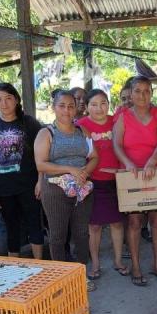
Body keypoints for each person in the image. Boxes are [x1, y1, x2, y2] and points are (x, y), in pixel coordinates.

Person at [113, 76, 157, 286]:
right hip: (132, 175)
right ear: (131, 93)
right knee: (135, 221)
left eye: (147, 91)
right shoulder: (123, 116)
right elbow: (117, 144)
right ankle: (136, 266)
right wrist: (128, 163)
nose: (142, 95)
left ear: (152, 93)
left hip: (156, 172)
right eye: (137, 91)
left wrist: (152, 162)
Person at [34, 90, 98, 280]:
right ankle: (60, 276)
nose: (66, 110)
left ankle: (81, 274)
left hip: (82, 187)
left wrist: (85, 172)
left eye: (71, 106)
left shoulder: (82, 131)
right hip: (55, 190)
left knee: (81, 233)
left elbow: (94, 157)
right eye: (61, 106)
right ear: (54, 108)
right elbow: (41, 164)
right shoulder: (46, 133)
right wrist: (70, 169)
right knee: (58, 235)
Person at [0, 82, 45, 259]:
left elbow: (41, 154)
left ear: (16, 100)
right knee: (11, 225)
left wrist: (40, 180)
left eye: (8, 98)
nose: (4, 103)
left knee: (33, 223)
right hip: (2, 186)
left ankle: (40, 263)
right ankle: (14, 265)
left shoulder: (29, 123)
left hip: (28, 184)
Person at [77, 89, 127, 277]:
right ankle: (95, 264)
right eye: (94, 104)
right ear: (87, 107)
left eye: (103, 103)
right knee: (94, 226)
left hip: (116, 179)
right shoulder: (80, 125)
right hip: (92, 181)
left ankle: (118, 261)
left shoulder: (117, 121)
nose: (99, 108)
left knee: (117, 223)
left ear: (109, 103)